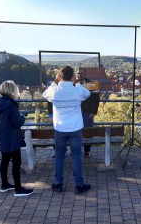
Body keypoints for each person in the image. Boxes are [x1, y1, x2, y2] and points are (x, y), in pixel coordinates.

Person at [42, 66, 91, 194]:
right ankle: (79, 185)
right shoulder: (77, 91)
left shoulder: (55, 91)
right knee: (76, 157)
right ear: (73, 77)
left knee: (59, 157)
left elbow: (44, 94)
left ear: (60, 76)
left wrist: (55, 82)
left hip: (60, 128)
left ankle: (58, 184)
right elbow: (88, 93)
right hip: (75, 128)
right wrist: (77, 83)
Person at [0, 80, 33, 197]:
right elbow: (16, 122)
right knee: (16, 162)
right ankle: (18, 189)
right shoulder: (11, 104)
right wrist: (22, 117)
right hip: (11, 137)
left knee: (4, 161)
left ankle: (4, 185)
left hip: (1, 137)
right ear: (12, 90)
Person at [77, 68, 100, 158]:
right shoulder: (73, 85)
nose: (80, 75)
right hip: (76, 113)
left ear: (85, 74)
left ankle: (87, 151)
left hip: (87, 113)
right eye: (78, 73)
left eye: (82, 73)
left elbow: (96, 100)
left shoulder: (92, 84)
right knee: (76, 133)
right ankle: (76, 150)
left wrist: (93, 112)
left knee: (87, 133)